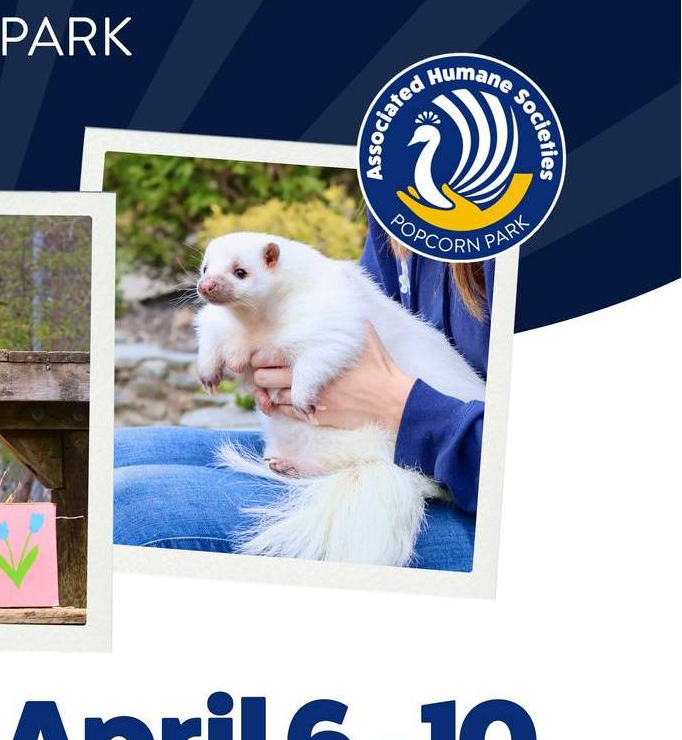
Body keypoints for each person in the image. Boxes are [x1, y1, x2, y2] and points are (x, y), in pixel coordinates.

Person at [113, 234, 491, 572]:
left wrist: (394, 404)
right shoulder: (396, 215)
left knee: (127, 509)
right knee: (112, 454)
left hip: (473, 488)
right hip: (365, 439)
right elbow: (364, 316)